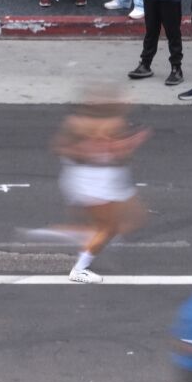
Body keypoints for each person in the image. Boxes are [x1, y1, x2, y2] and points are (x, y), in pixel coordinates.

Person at [49, 93, 149, 283]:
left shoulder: (76, 122)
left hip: (91, 177)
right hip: (98, 180)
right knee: (109, 227)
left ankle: (86, 237)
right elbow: (119, 155)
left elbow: (60, 149)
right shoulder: (112, 124)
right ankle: (79, 268)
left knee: (134, 216)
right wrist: (133, 141)